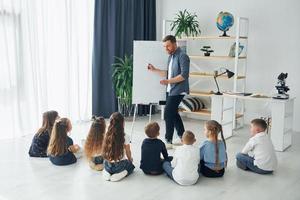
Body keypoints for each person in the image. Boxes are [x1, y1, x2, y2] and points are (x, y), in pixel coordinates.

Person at [148, 35, 190, 149]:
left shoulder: (183, 56)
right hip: (171, 90)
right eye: (164, 46)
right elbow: (168, 74)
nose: (166, 49)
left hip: (179, 90)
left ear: (175, 44)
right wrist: (155, 70)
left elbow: (184, 75)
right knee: (174, 114)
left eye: (168, 46)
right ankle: (182, 137)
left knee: (167, 114)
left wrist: (168, 81)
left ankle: (168, 140)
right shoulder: (171, 57)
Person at [102, 112, 135, 182]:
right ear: (122, 124)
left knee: (107, 163)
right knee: (131, 166)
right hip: (119, 166)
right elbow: (128, 151)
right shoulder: (125, 136)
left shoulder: (106, 135)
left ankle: (106, 172)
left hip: (107, 164)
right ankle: (120, 175)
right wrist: (130, 159)